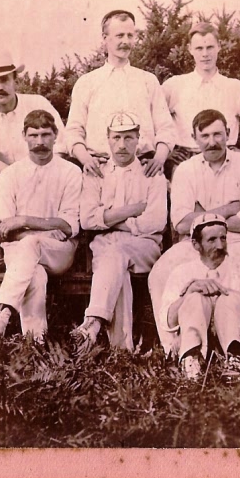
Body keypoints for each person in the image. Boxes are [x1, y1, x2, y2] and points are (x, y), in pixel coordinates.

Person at [148, 109, 240, 355]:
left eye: (218, 134)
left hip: (238, 241)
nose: (212, 141)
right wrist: (230, 208)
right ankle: (175, 349)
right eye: (204, 136)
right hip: (193, 244)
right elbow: (181, 224)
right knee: (160, 273)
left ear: (228, 134)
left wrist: (202, 214)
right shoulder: (185, 170)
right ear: (195, 139)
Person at [0, 110, 82, 342]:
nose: (40, 142)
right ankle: (35, 345)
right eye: (33, 135)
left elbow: (69, 226)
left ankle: (1, 313)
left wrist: (22, 221)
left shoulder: (71, 172)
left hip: (58, 253)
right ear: (24, 136)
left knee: (30, 244)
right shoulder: (11, 174)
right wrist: (42, 229)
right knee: (35, 275)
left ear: (55, 136)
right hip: (20, 255)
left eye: (45, 135)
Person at [72, 111, 168, 354]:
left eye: (128, 138)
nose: (122, 145)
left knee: (116, 254)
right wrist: (133, 210)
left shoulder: (152, 173)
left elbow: (155, 222)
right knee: (118, 269)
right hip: (105, 248)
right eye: (116, 138)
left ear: (138, 139)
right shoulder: (96, 172)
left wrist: (110, 218)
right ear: (108, 138)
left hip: (144, 247)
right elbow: (87, 220)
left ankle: (94, 320)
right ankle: (122, 350)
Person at [0, 53, 66, 273]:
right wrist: (18, 177)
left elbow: (60, 148)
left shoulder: (37, 103)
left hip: (44, 179)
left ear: (16, 81)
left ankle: (48, 241)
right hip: (6, 187)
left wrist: (37, 174)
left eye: (5, 79)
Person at [64, 9, 178, 179]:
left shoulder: (148, 81)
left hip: (143, 169)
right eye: (119, 36)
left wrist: (159, 159)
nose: (126, 41)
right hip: (98, 171)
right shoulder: (87, 83)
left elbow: (165, 128)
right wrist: (86, 160)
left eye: (130, 36)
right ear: (105, 38)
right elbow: (74, 130)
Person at [160, 214, 240, 382]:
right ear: (196, 244)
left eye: (223, 238)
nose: (220, 245)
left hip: (235, 341)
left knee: (229, 299)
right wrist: (189, 292)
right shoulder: (181, 272)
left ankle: (235, 362)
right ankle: (192, 362)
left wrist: (227, 292)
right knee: (195, 297)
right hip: (192, 342)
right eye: (211, 240)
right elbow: (167, 321)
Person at [162, 21, 240, 174]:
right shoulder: (174, 85)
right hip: (185, 158)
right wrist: (165, 153)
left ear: (219, 46)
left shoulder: (235, 87)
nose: (205, 54)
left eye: (210, 47)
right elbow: (152, 118)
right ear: (190, 49)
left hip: (225, 155)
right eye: (199, 48)